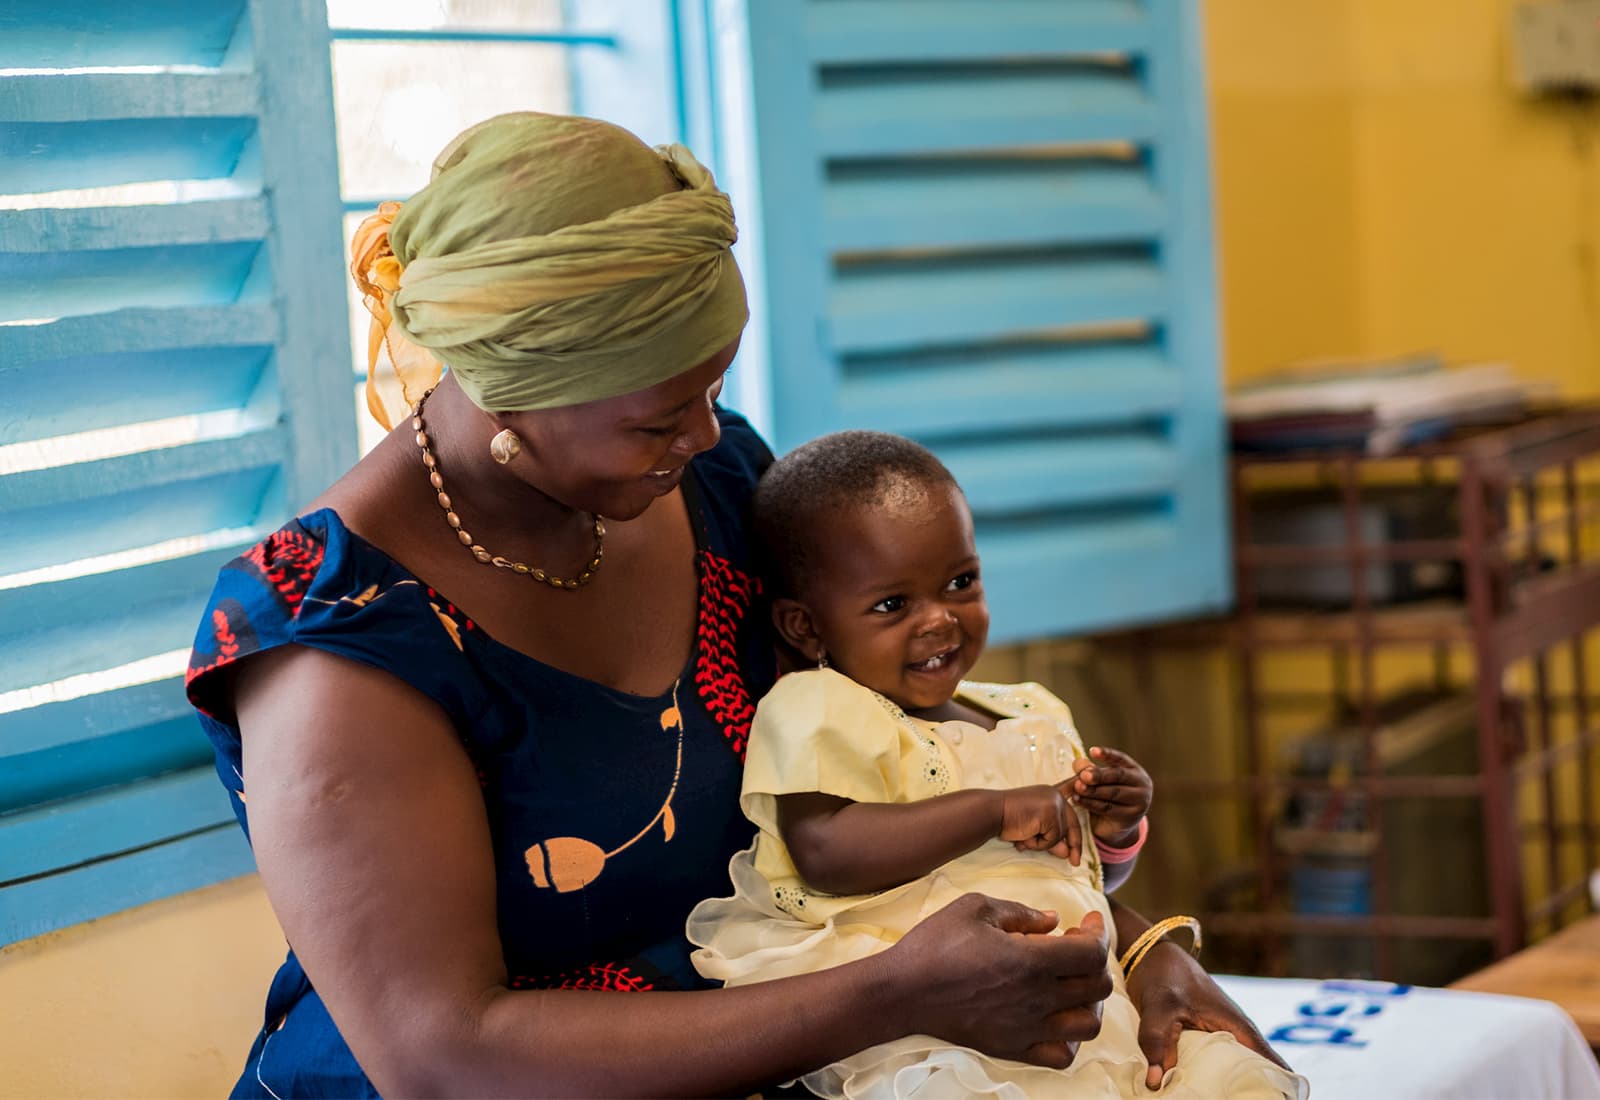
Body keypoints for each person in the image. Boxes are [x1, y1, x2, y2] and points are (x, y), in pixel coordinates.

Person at [184, 111, 1292, 1098]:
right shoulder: (337, 644)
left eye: (713, 388)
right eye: (663, 413)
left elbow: (894, 774)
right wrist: (893, 992)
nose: (709, 434)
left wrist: (1133, 947)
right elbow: (442, 1056)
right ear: (512, 389)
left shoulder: (706, 489)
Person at [688, 431, 1306, 1099]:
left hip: (1074, 1003)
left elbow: (1087, 879)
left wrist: (1115, 831)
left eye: (961, 582)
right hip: (934, 1029)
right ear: (806, 628)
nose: (940, 621)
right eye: (893, 605)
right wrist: (995, 808)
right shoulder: (821, 706)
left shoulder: (1027, 714)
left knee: (1230, 1078)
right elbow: (824, 849)